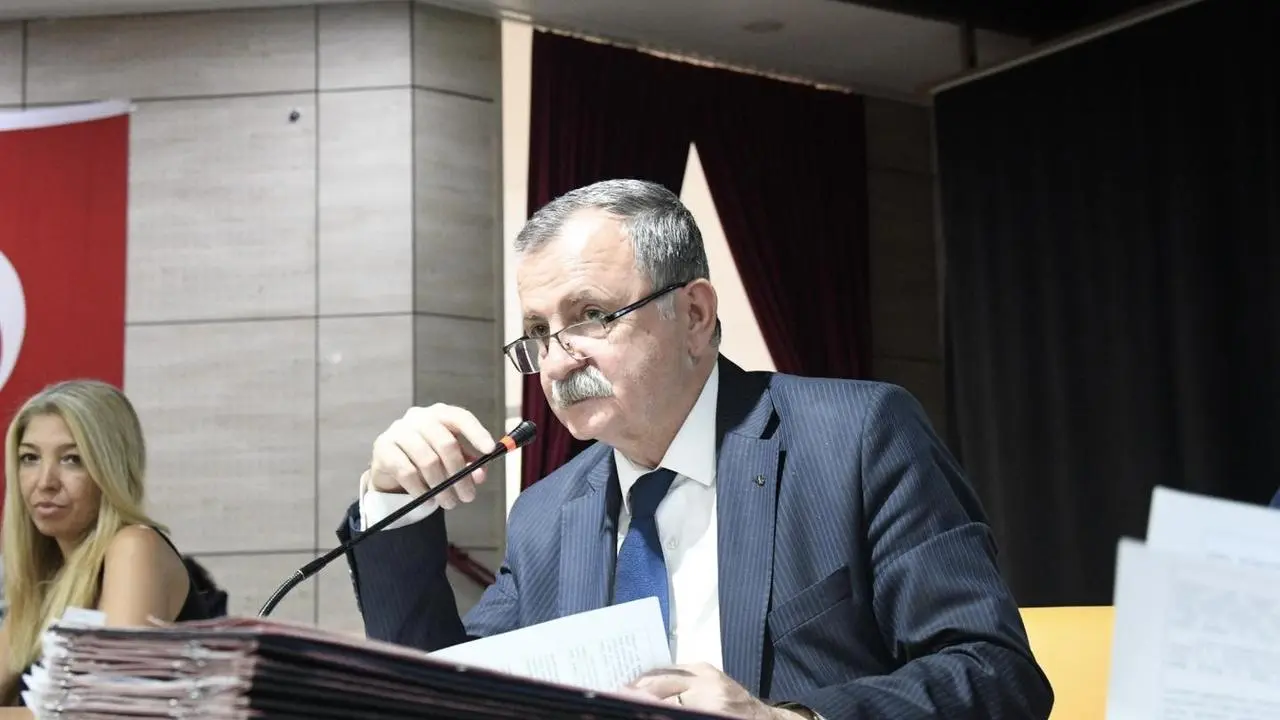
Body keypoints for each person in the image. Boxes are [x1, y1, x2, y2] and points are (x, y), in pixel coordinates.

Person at [339, 179, 1053, 719]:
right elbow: (445, 697)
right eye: (537, 331)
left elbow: (994, 673)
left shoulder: (856, 438)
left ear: (695, 314)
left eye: (590, 315)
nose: (556, 360)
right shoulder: (546, 515)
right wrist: (394, 500)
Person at [0, 380, 220, 711]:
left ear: (111, 469)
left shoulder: (135, 547)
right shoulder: (44, 581)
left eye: (72, 459)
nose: (45, 482)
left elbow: (111, 711)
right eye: (30, 458)